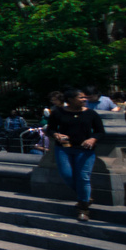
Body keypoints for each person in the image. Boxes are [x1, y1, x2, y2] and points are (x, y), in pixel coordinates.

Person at [47, 90, 104, 221]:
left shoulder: (90, 113)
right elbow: (50, 129)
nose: (84, 99)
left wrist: (93, 139)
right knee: (67, 175)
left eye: (85, 97)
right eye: (81, 97)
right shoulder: (58, 112)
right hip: (64, 148)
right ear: (70, 99)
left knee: (83, 177)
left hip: (85, 149)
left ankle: (83, 208)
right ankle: (85, 194)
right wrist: (56, 135)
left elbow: (100, 132)